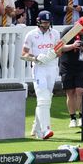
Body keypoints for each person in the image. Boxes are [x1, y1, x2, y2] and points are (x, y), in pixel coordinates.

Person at [22, 10, 60, 140]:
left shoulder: (55, 33)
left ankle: (36, 127)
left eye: (48, 22)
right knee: (43, 98)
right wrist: (37, 57)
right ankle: (45, 130)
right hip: (39, 68)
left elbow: (59, 51)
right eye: (44, 22)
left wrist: (51, 55)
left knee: (47, 98)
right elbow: (24, 54)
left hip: (52, 67)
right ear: (38, 22)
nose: (46, 25)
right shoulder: (31, 35)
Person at [60, 16, 83, 128]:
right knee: (70, 92)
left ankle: (81, 116)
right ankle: (72, 118)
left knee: (80, 90)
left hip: (81, 66)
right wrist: (73, 46)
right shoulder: (68, 31)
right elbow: (59, 48)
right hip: (67, 65)